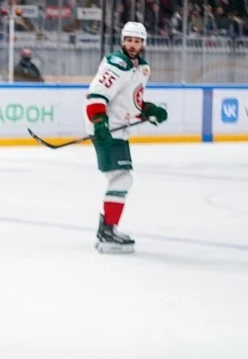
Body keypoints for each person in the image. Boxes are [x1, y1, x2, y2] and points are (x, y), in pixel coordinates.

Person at [85, 22, 167, 254]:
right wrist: (99, 121)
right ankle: (107, 231)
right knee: (121, 178)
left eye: (137, 41)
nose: (132, 45)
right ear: (123, 41)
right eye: (129, 40)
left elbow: (130, 101)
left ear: (143, 43)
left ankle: (108, 229)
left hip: (118, 129)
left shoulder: (142, 68)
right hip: (106, 128)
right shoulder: (116, 65)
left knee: (122, 179)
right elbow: (97, 94)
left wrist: (148, 110)